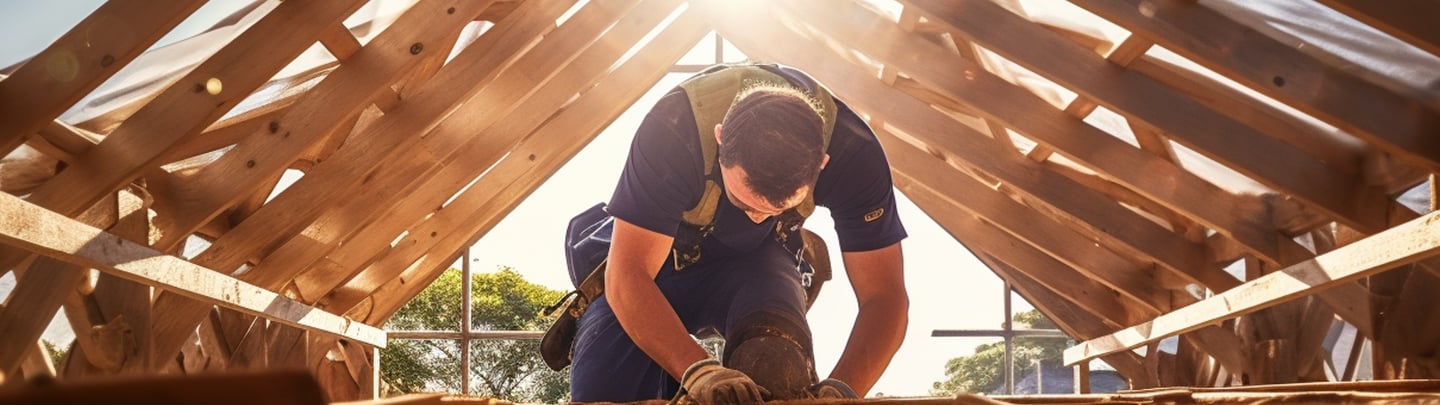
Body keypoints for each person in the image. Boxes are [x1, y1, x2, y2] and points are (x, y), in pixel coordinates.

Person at [566, 63, 908, 403]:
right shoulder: (673, 131)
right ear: (719, 138)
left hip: (758, 265)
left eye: (776, 210)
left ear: (821, 164)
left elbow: (884, 297)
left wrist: (843, 391)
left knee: (777, 365)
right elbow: (629, 272)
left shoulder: (856, 156)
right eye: (744, 202)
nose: (758, 217)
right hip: (657, 266)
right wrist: (698, 371)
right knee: (607, 391)